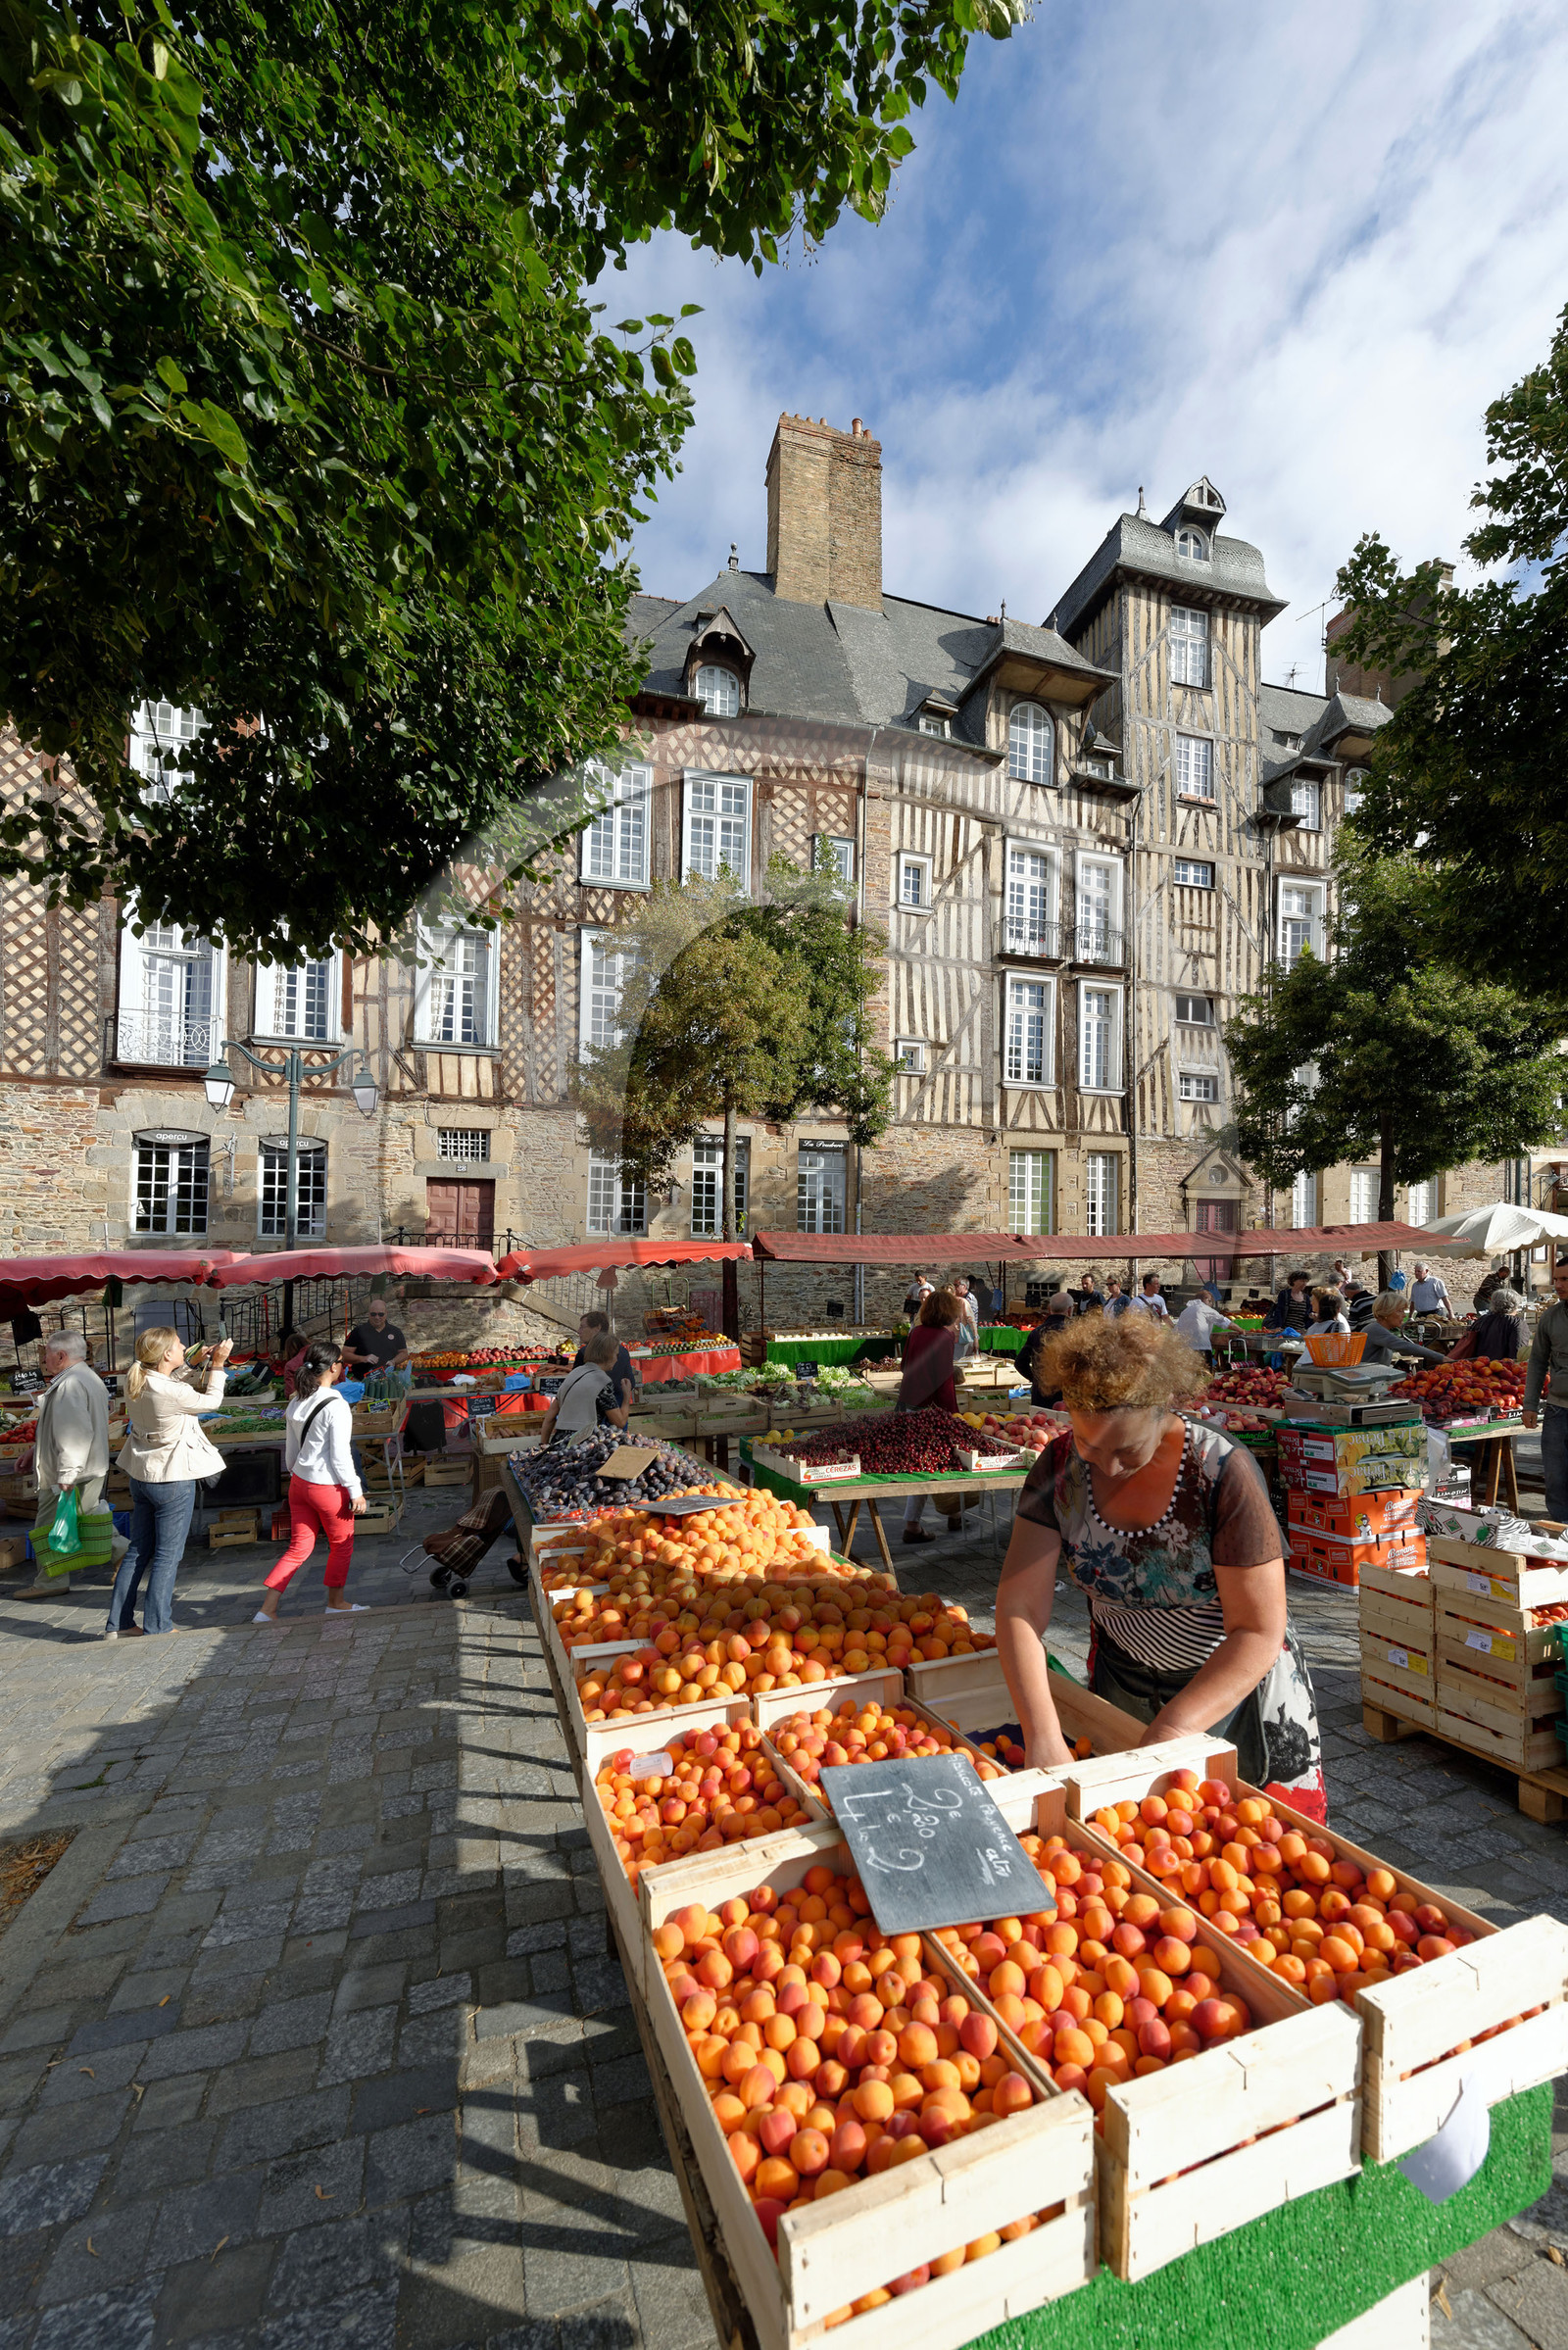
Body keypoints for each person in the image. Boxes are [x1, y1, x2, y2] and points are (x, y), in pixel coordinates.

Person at [994, 1312, 1325, 1815]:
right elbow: (1018, 1607)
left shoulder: (1220, 1472)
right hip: (1121, 1682)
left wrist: (1171, 1732)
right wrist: (1042, 1734)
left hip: (1229, 1698)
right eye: (1089, 1443)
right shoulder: (1060, 1467)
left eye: (1126, 1450)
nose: (1105, 1466)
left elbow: (1257, 1630)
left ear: (1165, 1410)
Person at [107, 1329, 233, 1638]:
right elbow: (211, 1401)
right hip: (172, 1478)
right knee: (168, 1555)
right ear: (166, 1355)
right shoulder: (168, 1390)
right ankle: (158, 1626)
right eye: (178, 1345)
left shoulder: (136, 1378)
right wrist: (217, 1365)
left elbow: (169, 1383)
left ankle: (119, 1624)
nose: (183, 1347)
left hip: (143, 1474)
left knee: (139, 1549)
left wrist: (191, 1363)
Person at [255, 1343, 368, 1622]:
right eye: (341, 1362)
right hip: (327, 1487)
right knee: (341, 1544)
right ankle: (336, 1602)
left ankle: (267, 1610)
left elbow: (290, 1449)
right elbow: (340, 1455)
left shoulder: (297, 1400)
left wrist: (296, 1474)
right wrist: (355, 1491)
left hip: (300, 1484)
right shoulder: (337, 1405)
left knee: (298, 1548)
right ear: (333, 1367)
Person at [18, 1333, 124, 1604]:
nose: (44, 1360)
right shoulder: (86, 1378)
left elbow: (75, 1433)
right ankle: (122, 1552)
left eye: (47, 1355)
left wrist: (66, 1473)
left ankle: (49, 1581)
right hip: (88, 1466)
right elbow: (68, 1427)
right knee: (88, 1517)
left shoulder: (70, 1384)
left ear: (61, 1356)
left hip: (71, 1470)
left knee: (49, 1526)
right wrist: (35, 1450)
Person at [900, 1291, 964, 1542]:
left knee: (924, 1462)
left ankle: (953, 1514)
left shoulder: (916, 1332)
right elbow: (944, 1380)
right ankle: (914, 1525)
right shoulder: (944, 1336)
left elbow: (905, 1366)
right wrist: (953, 1414)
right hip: (931, 1409)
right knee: (934, 1462)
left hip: (909, 1403)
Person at [1523, 1259, 1568, 1523]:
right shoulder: (1551, 1316)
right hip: (1557, 1409)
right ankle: (1561, 1530)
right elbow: (1538, 1361)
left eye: (1565, 1280)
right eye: (1557, 1279)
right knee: (1555, 1474)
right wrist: (1529, 1404)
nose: (1558, 1285)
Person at [540, 1331, 630, 1444]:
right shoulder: (601, 1381)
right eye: (616, 1355)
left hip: (559, 1442)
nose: (617, 1360)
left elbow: (550, 1417)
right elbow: (620, 1422)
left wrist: (543, 1445)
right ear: (609, 1355)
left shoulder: (573, 1374)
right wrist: (627, 1395)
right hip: (583, 1444)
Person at [1016, 1292, 1077, 1406]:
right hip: (1066, 1396)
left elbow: (1020, 1362)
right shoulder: (1074, 1333)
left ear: (1049, 1309)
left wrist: (1036, 1379)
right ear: (1069, 1310)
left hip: (1041, 1395)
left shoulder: (1037, 1332)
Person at [1359, 1292, 1447, 1368]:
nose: (1404, 1315)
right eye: (1400, 1311)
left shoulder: (1378, 1328)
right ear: (1387, 1312)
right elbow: (1404, 1346)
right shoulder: (1375, 1329)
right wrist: (1442, 1358)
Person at [574, 1310, 636, 1411]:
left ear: (597, 1328)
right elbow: (630, 1383)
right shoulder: (623, 1351)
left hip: (594, 1412)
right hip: (618, 1409)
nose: (578, 1331)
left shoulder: (584, 1353)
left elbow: (577, 1386)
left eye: (582, 1327)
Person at [343, 1298, 410, 1375]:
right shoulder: (358, 1331)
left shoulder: (395, 1331)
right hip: (362, 1381)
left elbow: (404, 1353)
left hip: (388, 1379)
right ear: (369, 1314)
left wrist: (393, 1361)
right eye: (373, 1314)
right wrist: (363, 1358)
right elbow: (345, 1355)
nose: (377, 1317)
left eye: (381, 1314)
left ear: (386, 1313)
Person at [1469, 1287, 1526, 1362]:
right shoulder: (1517, 1323)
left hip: (1480, 1366)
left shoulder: (1482, 1320)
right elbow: (1519, 1351)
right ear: (1515, 1305)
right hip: (1504, 1368)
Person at [1173, 1295, 1239, 1352]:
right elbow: (1223, 1321)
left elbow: (1176, 1329)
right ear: (1207, 1299)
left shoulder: (1185, 1311)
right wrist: (1241, 1330)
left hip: (1186, 1348)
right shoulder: (1204, 1308)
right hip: (1201, 1347)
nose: (1211, 1305)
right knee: (1205, 1366)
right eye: (1210, 1301)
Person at [951, 1278, 980, 1362]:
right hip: (958, 1337)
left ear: (964, 1286)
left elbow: (972, 1320)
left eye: (956, 1285)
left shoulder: (968, 1299)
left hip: (964, 1337)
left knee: (960, 1363)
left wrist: (975, 1339)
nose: (954, 1287)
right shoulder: (957, 1299)